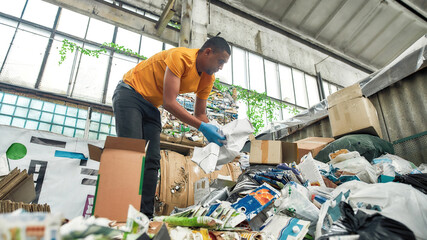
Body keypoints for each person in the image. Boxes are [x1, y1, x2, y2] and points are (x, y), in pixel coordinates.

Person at [112, 36, 231, 218]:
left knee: (152, 160)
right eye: (220, 61)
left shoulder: (208, 78)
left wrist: (218, 132)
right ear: (208, 52)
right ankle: (120, 211)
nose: (221, 66)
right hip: (130, 94)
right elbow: (169, 102)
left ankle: (144, 216)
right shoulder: (181, 57)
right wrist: (202, 128)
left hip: (151, 105)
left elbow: (200, 115)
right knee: (132, 154)